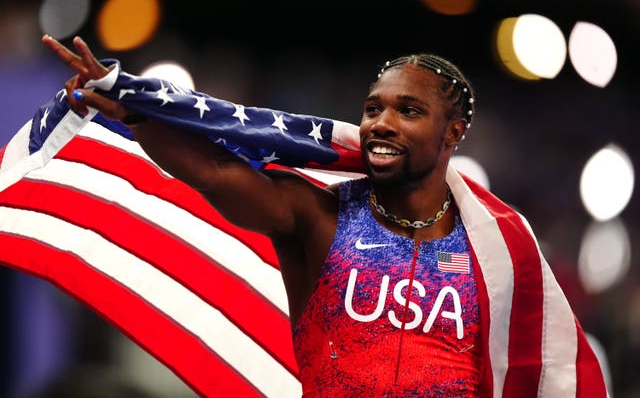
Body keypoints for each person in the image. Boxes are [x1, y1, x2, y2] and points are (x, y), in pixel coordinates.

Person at [40, 35, 609, 398]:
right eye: (373, 108)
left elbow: (538, 371)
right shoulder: (320, 214)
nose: (382, 123)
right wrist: (136, 112)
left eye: (408, 111)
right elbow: (213, 171)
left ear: (453, 132)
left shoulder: (497, 256)